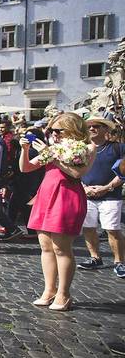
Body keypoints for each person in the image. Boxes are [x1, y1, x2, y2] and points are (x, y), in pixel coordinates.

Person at [22, 114, 96, 311]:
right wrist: (25, 149)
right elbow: (26, 168)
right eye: (51, 130)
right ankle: (49, 290)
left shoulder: (87, 147)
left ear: (73, 129)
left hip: (66, 195)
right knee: (45, 246)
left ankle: (64, 293)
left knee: (61, 248)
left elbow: (76, 173)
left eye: (58, 130)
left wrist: (52, 155)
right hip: (46, 194)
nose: (53, 134)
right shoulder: (52, 148)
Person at [78, 117, 125, 276]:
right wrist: (84, 188)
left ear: (105, 129)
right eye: (89, 126)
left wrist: (107, 187)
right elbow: (75, 171)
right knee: (88, 228)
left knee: (112, 229)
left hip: (110, 195)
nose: (91, 129)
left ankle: (119, 262)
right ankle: (95, 257)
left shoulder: (117, 148)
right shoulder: (81, 149)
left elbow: (123, 172)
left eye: (96, 126)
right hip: (87, 195)